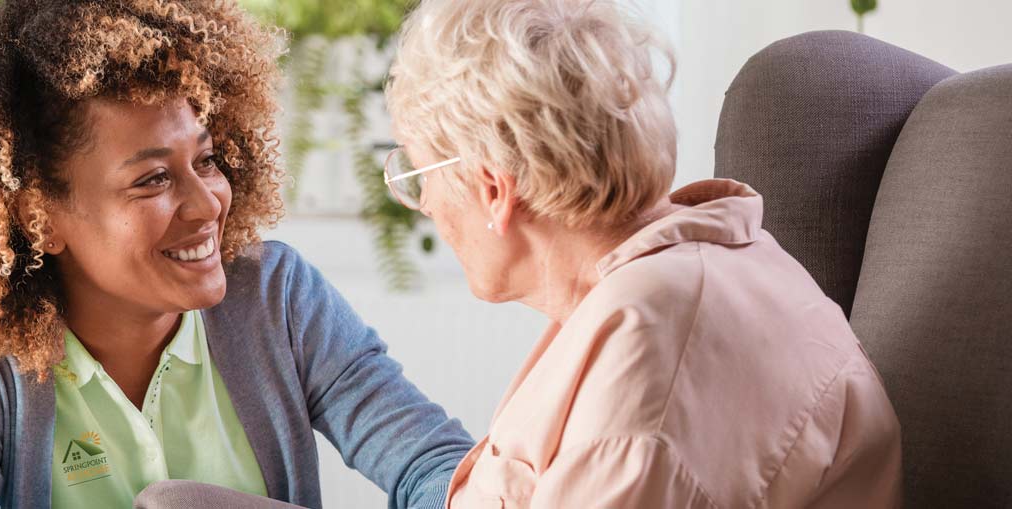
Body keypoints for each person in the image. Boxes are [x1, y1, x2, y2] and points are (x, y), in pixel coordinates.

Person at [0, 1, 473, 507]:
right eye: (152, 179)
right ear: (37, 216)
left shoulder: (277, 298)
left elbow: (438, 468)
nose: (208, 204)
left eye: (206, 161)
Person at [380, 0, 903, 507]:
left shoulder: (648, 375)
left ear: (493, 190)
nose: (423, 204)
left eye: (418, 176)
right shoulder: (685, 272)